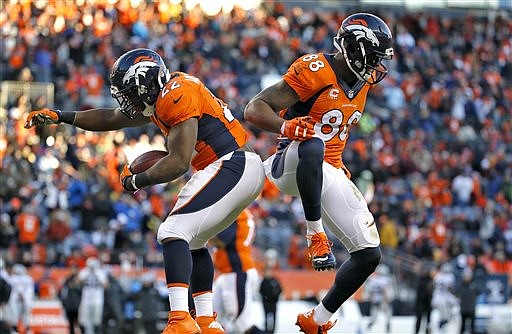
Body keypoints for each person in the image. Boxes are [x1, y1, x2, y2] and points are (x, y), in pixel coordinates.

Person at [25, 48, 266, 334]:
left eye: (128, 91)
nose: (125, 99)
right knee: (192, 241)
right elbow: (111, 118)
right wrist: (61, 116)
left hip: (233, 164)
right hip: (234, 168)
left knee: (171, 232)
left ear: (145, 83)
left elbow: (178, 163)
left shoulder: (177, 93)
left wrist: (135, 182)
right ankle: (204, 320)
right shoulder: (162, 98)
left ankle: (180, 320)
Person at [244, 12, 393, 333]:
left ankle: (318, 319)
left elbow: (336, 134)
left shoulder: (362, 83)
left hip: (327, 168)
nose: (378, 67)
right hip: (291, 160)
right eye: (375, 58)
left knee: (369, 255)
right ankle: (315, 234)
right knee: (313, 142)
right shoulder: (315, 70)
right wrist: (286, 126)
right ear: (356, 50)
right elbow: (254, 108)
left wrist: (339, 172)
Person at [211, 209, 265, 334]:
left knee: (243, 325)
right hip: (229, 272)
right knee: (213, 319)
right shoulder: (241, 210)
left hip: (237, 271)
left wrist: (197, 234)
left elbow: (221, 241)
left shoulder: (235, 211)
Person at [77, 257, 108, 334]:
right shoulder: (84, 272)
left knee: (96, 322)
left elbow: (106, 285)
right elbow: (77, 282)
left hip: (97, 300)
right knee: (84, 322)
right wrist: (86, 274)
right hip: (86, 300)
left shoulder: (100, 272)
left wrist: (97, 274)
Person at [364, 264, 395, 333]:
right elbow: (385, 291)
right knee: (387, 316)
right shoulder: (386, 280)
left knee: (374, 317)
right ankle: (387, 329)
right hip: (383, 300)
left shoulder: (373, 280)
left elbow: (370, 292)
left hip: (376, 300)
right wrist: (387, 299)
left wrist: (371, 298)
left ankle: (369, 327)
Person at [259, 249, 282, 334]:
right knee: (266, 317)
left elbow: (280, 289)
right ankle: (266, 330)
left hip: (273, 302)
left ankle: (272, 331)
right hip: (266, 302)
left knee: (274, 317)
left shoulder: (274, 281)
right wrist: (265, 297)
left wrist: (276, 297)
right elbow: (260, 290)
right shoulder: (263, 281)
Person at [414, 264, 434, 334]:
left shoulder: (431, 280)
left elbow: (431, 292)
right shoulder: (420, 280)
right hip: (420, 303)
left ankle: (427, 332)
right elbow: (418, 293)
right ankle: (416, 332)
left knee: (428, 321)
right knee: (419, 319)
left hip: (428, 303)